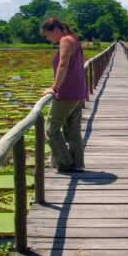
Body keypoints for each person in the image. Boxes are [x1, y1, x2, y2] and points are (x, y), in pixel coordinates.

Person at [41, 17, 88, 173]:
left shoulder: (65, 41)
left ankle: (65, 163)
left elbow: (63, 65)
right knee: (72, 131)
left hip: (66, 93)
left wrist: (54, 87)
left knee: (50, 131)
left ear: (55, 30)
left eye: (47, 35)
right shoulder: (73, 40)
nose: (48, 39)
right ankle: (77, 163)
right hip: (77, 92)